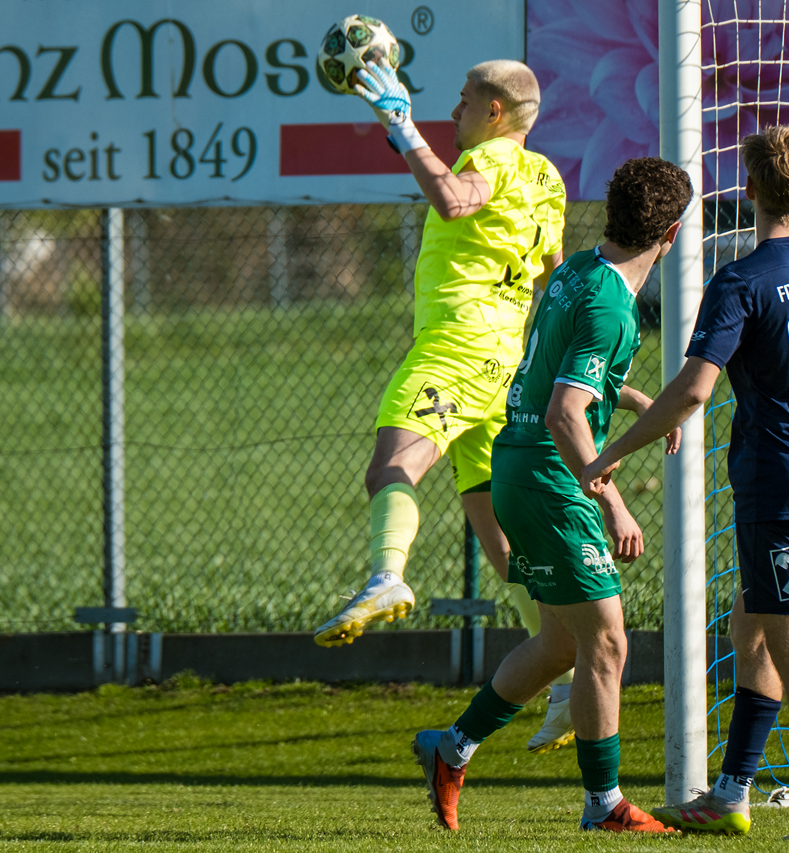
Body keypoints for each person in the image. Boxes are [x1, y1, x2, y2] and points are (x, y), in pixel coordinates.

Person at [580, 126, 789, 841]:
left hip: (778, 487)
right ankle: (730, 793)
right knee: (752, 626)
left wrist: (614, 448)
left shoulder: (741, 281)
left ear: (748, 190)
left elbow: (694, 390)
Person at [410, 157, 692, 833]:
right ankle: (604, 804)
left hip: (518, 466)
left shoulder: (578, 272)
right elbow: (566, 412)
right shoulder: (612, 306)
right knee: (608, 641)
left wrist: (633, 399)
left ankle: (452, 746)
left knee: (563, 641)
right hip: (550, 477)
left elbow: (554, 370)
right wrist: (612, 501)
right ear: (672, 234)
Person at [311, 58, 576, 752]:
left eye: (463, 101)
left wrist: (400, 127)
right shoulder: (547, 178)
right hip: (506, 359)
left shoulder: (491, 156)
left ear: (495, 111)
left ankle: (387, 577)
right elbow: (552, 276)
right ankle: (567, 673)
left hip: (458, 346)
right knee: (501, 537)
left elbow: (456, 200)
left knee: (391, 468)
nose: (453, 112)